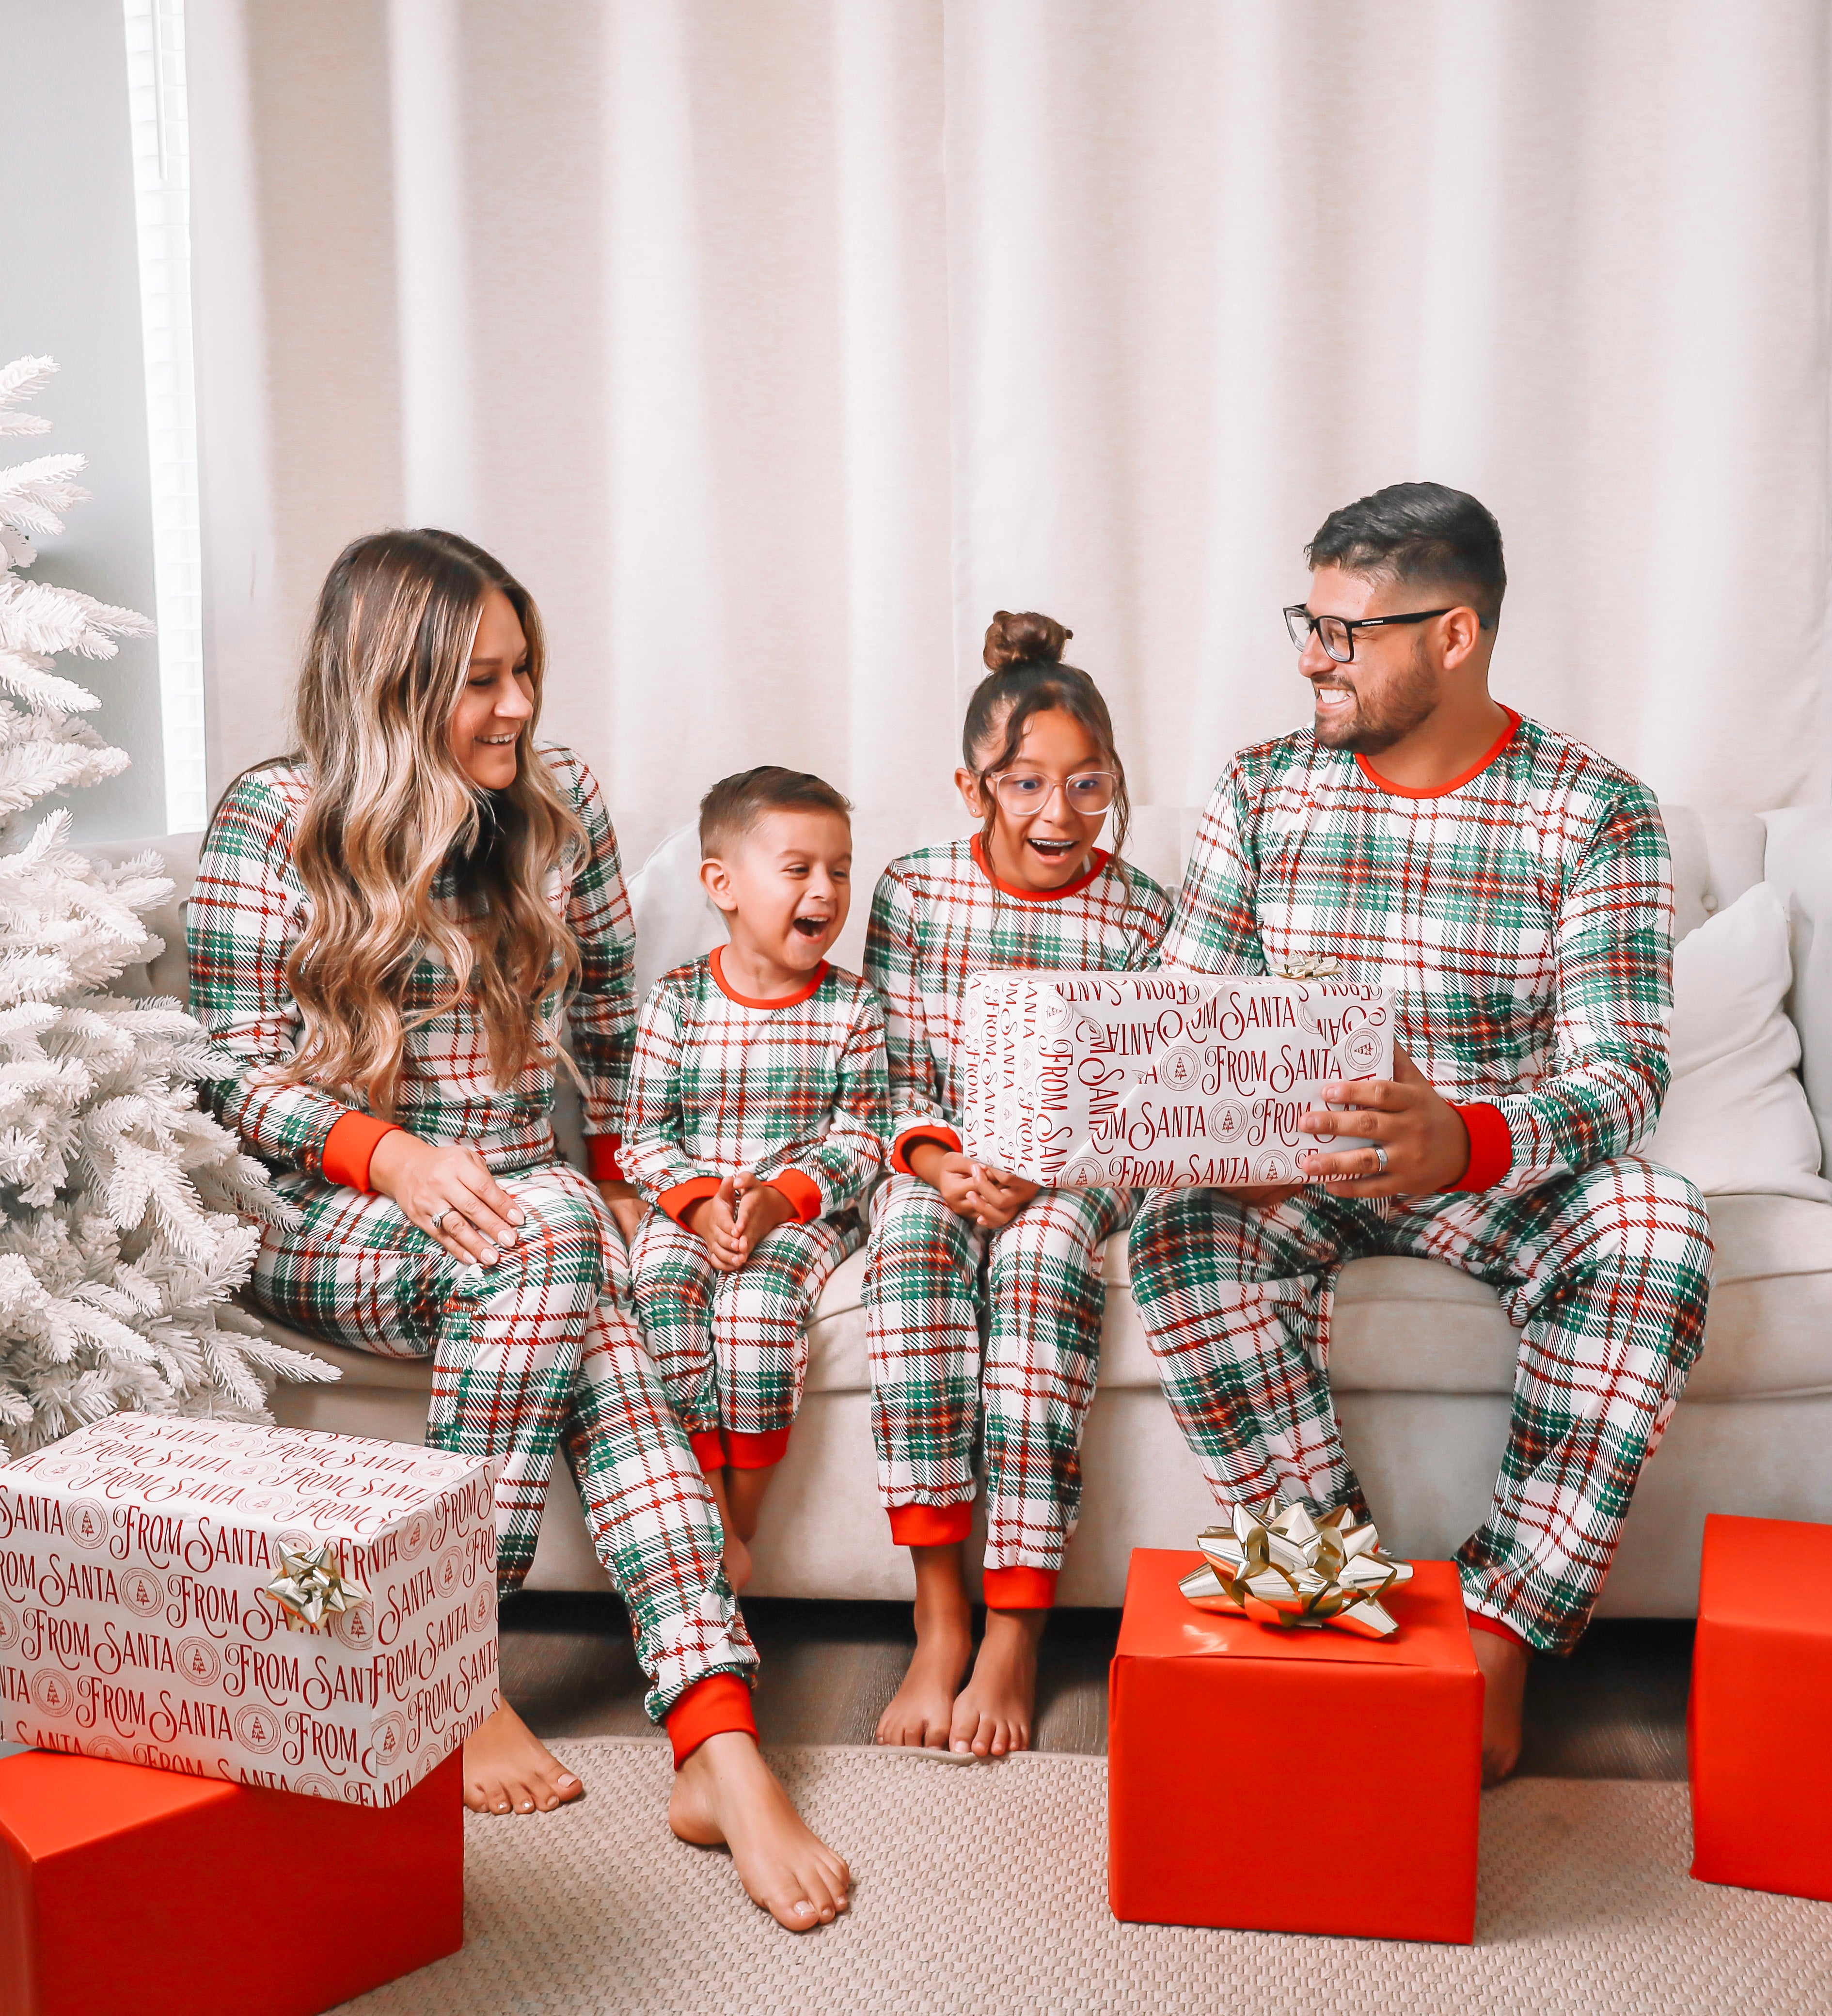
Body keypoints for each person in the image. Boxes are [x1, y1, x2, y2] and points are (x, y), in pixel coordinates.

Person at [188, 529, 850, 1930]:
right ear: (392, 684)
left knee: (575, 1259)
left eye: (525, 669)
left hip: (517, 1222)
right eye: (480, 680)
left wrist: (624, 1181)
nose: (519, 705)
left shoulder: (560, 809)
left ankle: (713, 1744)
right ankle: (478, 1682)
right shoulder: (273, 818)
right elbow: (230, 1076)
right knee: (555, 1232)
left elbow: (608, 1030)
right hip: (330, 1218)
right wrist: (389, 1154)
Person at [1126, 482, 1712, 1783]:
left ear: (1454, 636)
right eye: (1308, 621)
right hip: (1304, 1157)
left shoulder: (1596, 808)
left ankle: (1499, 1640)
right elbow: (1186, 1014)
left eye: (1346, 632)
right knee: (1176, 1233)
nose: (1308, 657)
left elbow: (1622, 1075)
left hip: (1485, 1162)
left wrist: (1467, 1140)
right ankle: (1337, 1597)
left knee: (1655, 1222)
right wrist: (1193, 1124)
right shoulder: (1259, 787)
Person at [865, 612, 1172, 1757]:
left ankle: (1016, 1620)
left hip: (1078, 1170)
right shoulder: (915, 895)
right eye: (1029, 784)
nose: (1059, 814)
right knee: (906, 1241)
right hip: (946, 1158)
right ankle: (938, 1608)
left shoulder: (1141, 912)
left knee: (1044, 1259)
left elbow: (1141, 1093)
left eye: (1089, 786)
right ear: (973, 786)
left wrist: (1042, 1171)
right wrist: (942, 1161)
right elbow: (892, 1070)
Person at [624, 767, 889, 1590]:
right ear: (723, 885)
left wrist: (781, 1199)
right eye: (800, 869)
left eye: (840, 870)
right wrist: (703, 1207)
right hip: (695, 1211)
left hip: (804, 1213)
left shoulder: (853, 1008)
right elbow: (644, 1139)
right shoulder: (676, 1003)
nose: (826, 890)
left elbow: (862, 1137)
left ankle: (737, 1525)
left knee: (755, 1313)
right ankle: (705, 1505)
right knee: (661, 1293)